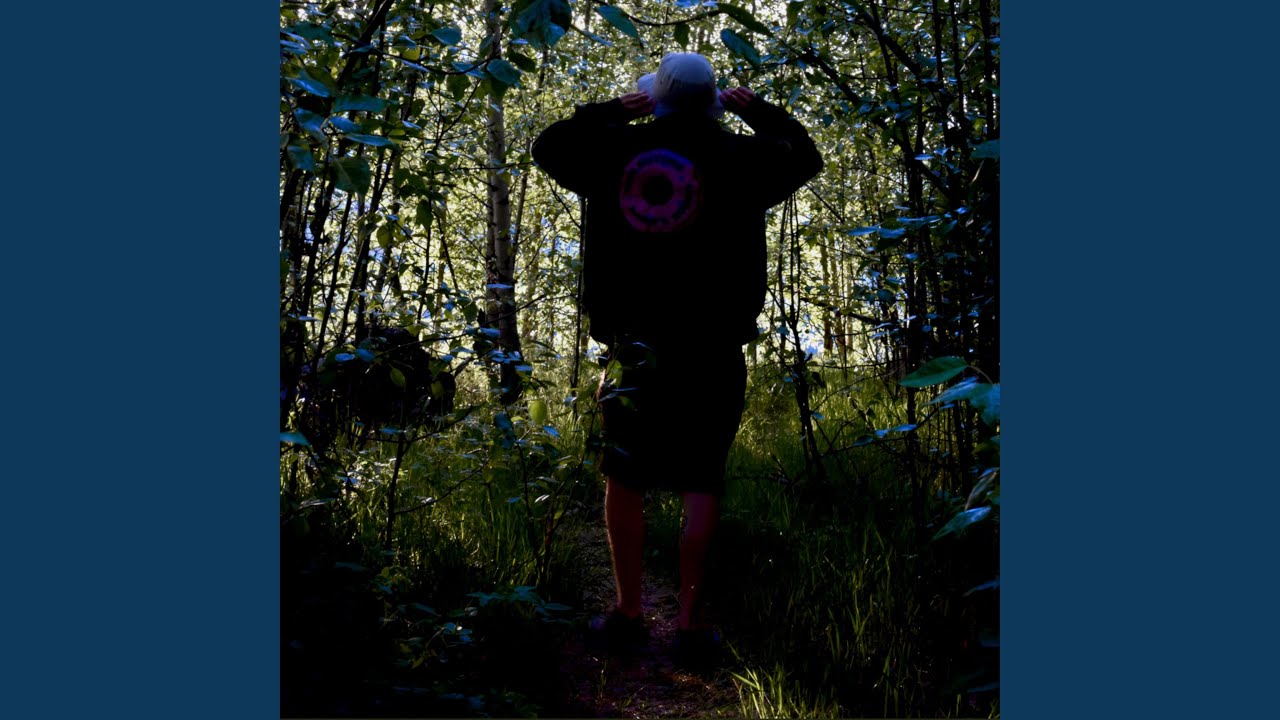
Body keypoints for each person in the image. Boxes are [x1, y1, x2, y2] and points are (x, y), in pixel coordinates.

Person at [532, 53, 823, 668]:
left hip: (635, 346)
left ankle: (628, 613)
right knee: (701, 478)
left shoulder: (613, 150)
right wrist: (761, 112)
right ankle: (690, 626)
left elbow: (549, 146)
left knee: (624, 475)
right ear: (714, 101)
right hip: (714, 346)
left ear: (653, 98)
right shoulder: (743, 158)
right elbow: (805, 157)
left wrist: (610, 110)